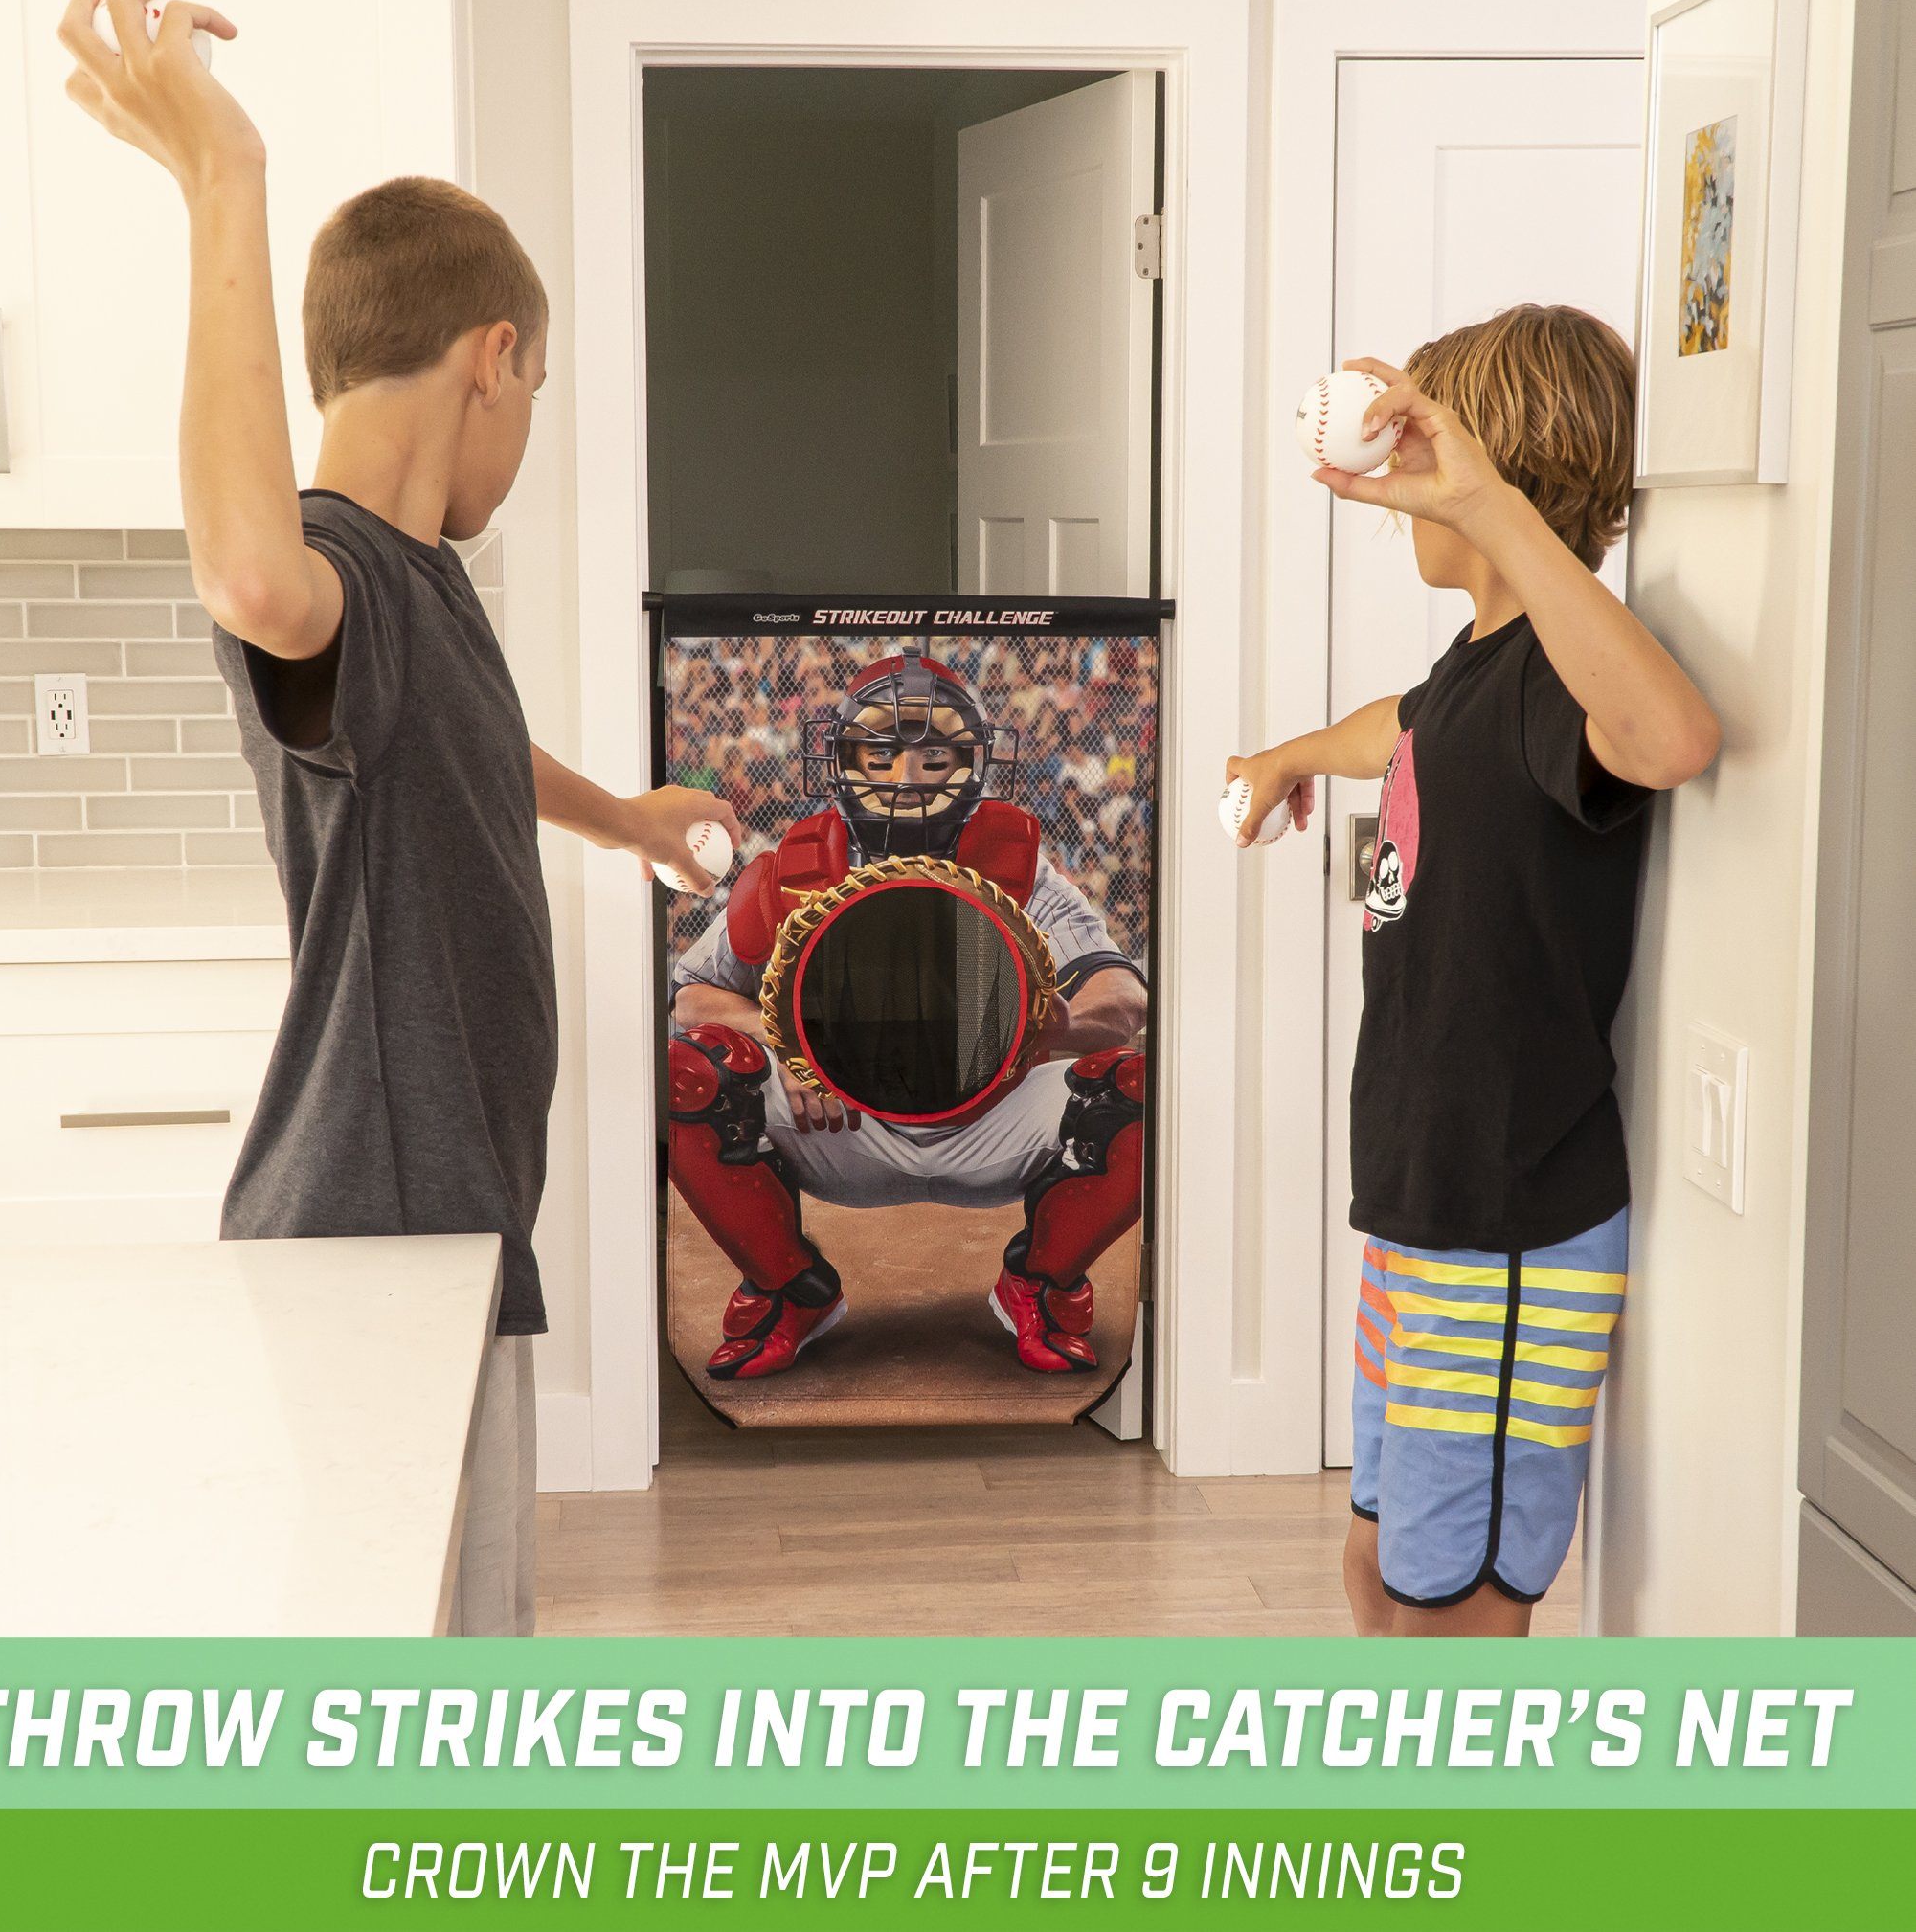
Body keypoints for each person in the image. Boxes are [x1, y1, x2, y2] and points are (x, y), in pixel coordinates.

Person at [58, 0, 737, 1635]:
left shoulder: (423, 586)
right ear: (493, 359)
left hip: (442, 1210)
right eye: (539, 396)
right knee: (420, 1703)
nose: (529, 432)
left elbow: (458, 754)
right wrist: (226, 183)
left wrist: (621, 822)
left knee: (464, 1672)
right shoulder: (337, 562)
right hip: (378, 1223)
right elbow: (247, 574)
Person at [1226, 306, 1720, 1637]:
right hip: (1425, 1198)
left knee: (1459, 1618)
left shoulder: (1570, 664)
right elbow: (1402, 728)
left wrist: (1492, 510)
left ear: (1498, 469)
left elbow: (1670, 738)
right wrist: (1285, 757)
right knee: (1376, 1570)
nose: (1404, 499)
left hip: (1511, 1217)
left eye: (1431, 460)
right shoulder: (1481, 668)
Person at [668, 655, 1147, 1379]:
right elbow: (694, 997)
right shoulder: (789, 864)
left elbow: (1124, 1000)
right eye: (882, 753)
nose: (907, 775)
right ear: (845, 757)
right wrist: (796, 1049)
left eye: (935, 754)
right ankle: (787, 1289)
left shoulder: (1024, 864)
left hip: (989, 1113)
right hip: (839, 1123)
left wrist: (1056, 1027)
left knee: (1143, 1087)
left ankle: (1041, 1282)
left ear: (972, 760)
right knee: (685, 1075)